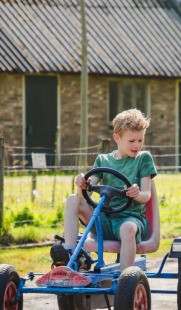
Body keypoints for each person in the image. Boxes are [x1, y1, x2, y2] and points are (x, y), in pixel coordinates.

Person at [62, 108, 157, 269]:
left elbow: (146, 195)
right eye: (131, 141)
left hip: (130, 219)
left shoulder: (143, 159)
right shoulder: (103, 160)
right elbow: (85, 194)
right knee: (73, 199)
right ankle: (70, 253)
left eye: (140, 140)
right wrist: (82, 184)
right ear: (117, 138)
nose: (137, 145)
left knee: (127, 228)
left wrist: (136, 194)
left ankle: (126, 277)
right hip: (104, 220)